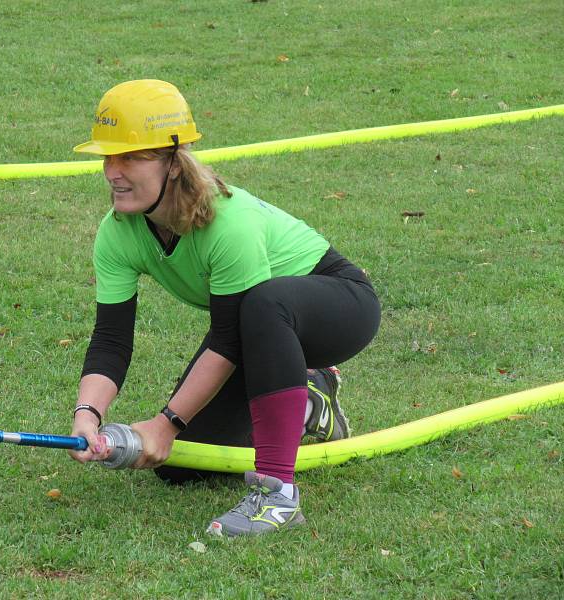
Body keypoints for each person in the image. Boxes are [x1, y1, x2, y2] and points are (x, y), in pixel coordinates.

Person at [68, 79, 380, 537]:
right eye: (107, 157)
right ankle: (311, 399)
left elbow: (230, 336)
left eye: (130, 157)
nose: (113, 171)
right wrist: (87, 415)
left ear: (174, 163)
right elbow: (112, 337)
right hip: (258, 330)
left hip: (339, 306)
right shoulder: (117, 232)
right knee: (177, 467)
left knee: (262, 303)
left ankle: (277, 496)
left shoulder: (227, 221)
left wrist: (165, 422)